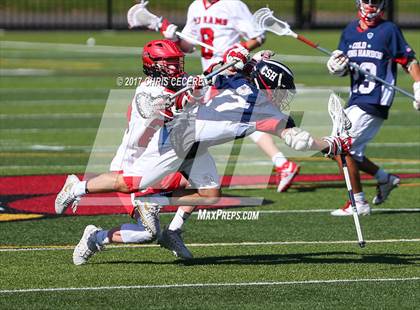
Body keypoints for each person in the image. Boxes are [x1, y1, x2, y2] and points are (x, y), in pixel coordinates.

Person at [60, 44, 352, 264]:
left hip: (195, 143)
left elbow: (296, 138)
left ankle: (170, 228)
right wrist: (234, 57)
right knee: (129, 182)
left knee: (210, 194)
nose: (281, 98)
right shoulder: (245, 90)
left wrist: (332, 144)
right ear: (263, 85)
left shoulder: (256, 94)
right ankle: (79, 188)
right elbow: (220, 67)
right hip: (177, 137)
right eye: (277, 91)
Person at [128, 0, 300, 194]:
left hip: (233, 75)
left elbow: (258, 37)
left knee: (232, 121)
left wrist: (236, 54)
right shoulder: (196, 7)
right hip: (211, 76)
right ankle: (282, 163)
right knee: (238, 122)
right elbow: (188, 46)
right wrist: (174, 39)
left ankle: (161, 178)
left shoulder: (233, 4)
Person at [326, 0, 420, 216]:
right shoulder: (349, 31)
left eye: (375, 1)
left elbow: (409, 61)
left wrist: (418, 86)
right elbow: (343, 64)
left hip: (375, 100)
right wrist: (336, 67)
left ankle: (358, 203)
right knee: (349, 152)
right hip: (356, 99)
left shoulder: (389, 30)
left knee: (339, 146)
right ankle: (385, 179)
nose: (371, 5)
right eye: (368, 0)